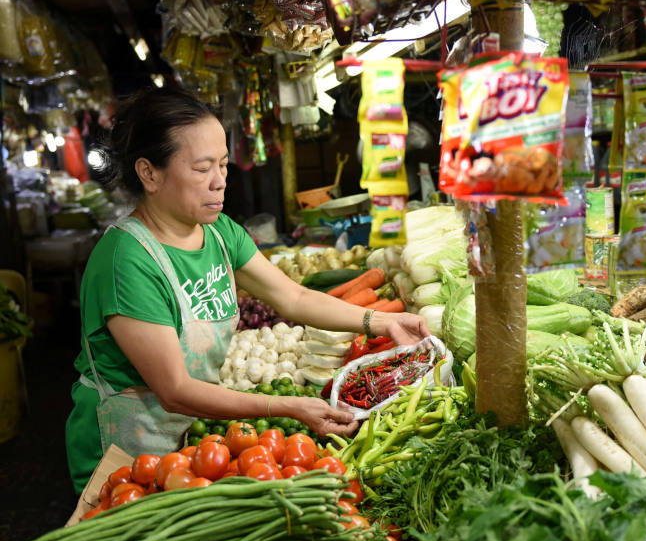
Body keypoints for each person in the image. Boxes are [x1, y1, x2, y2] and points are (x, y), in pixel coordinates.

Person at [65, 88, 430, 493]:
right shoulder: (126, 260)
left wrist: (382, 320)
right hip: (126, 449)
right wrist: (287, 406)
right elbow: (175, 389)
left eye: (223, 164)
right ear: (150, 173)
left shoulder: (219, 233)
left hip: (190, 438)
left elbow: (294, 298)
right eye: (202, 168)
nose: (220, 181)